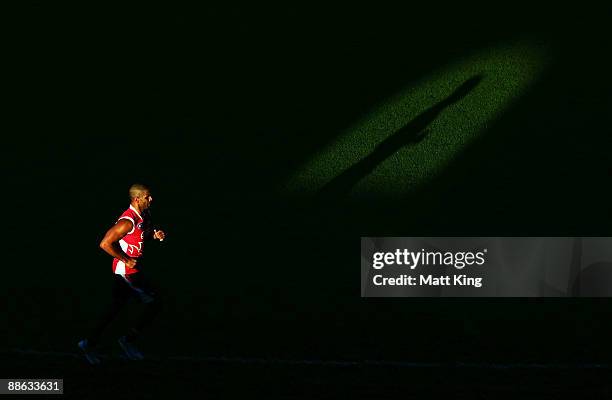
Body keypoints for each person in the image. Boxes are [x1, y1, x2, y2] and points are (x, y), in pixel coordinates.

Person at [77, 184, 166, 364]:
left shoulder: (144, 216)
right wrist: (125, 259)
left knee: (115, 309)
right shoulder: (127, 221)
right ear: (136, 199)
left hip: (130, 270)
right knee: (156, 301)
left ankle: (88, 343)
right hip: (126, 273)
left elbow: (141, 235)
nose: (151, 199)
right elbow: (105, 244)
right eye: (147, 197)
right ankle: (127, 341)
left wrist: (154, 235)